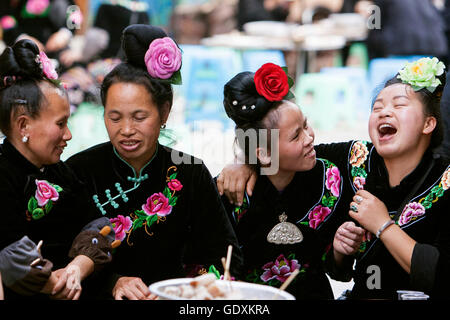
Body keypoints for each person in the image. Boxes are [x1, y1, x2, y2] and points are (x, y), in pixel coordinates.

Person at [217, 57, 450, 299]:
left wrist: (382, 225)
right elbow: (280, 154)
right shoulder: (354, 161)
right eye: (377, 107)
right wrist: (243, 163)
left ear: (429, 123)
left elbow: (441, 274)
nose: (384, 113)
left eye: (399, 105)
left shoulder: (445, 180)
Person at [65, 24, 243, 300]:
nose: (125, 129)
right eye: (114, 118)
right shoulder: (79, 171)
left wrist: (186, 291)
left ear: (164, 113)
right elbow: (60, 255)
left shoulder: (190, 173)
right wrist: (112, 282)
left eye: (139, 117)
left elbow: (225, 255)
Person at [217, 63, 350, 299]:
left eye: (306, 125)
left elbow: (335, 268)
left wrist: (340, 252)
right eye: (296, 135)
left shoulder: (331, 170)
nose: (310, 137)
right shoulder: (229, 191)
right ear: (264, 153)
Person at [0, 38, 114, 300]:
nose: (69, 135)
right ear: (23, 126)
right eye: (60, 124)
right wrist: (54, 283)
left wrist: (77, 268)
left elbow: (98, 226)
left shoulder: (58, 171)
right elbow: (10, 256)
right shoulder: (3, 175)